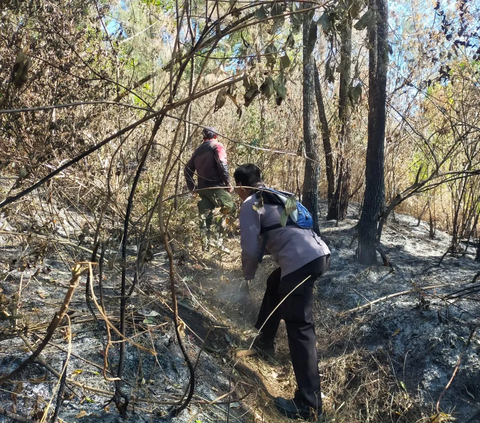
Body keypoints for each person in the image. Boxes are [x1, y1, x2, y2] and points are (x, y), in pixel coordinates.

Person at [234, 163, 331, 422]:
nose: (238, 194)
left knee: (300, 328)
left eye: (237, 190)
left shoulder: (250, 203)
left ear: (240, 187)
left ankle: (309, 405)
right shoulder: (281, 195)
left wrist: (248, 273)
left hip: (300, 261)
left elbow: (250, 247)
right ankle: (264, 342)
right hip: (319, 253)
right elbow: (288, 228)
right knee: (276, 283)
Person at [184, 127, 235, 251]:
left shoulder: (198, 151)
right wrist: (228, 183)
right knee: (228, 207)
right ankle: (219, 242)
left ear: (203, 138)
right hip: (216, 186)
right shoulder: (217, 146)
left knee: (205, 217)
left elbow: (187, 169)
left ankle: (205, 247)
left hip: (202, 189)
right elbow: (222, 163)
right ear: (216, 136)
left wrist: (193, 188)